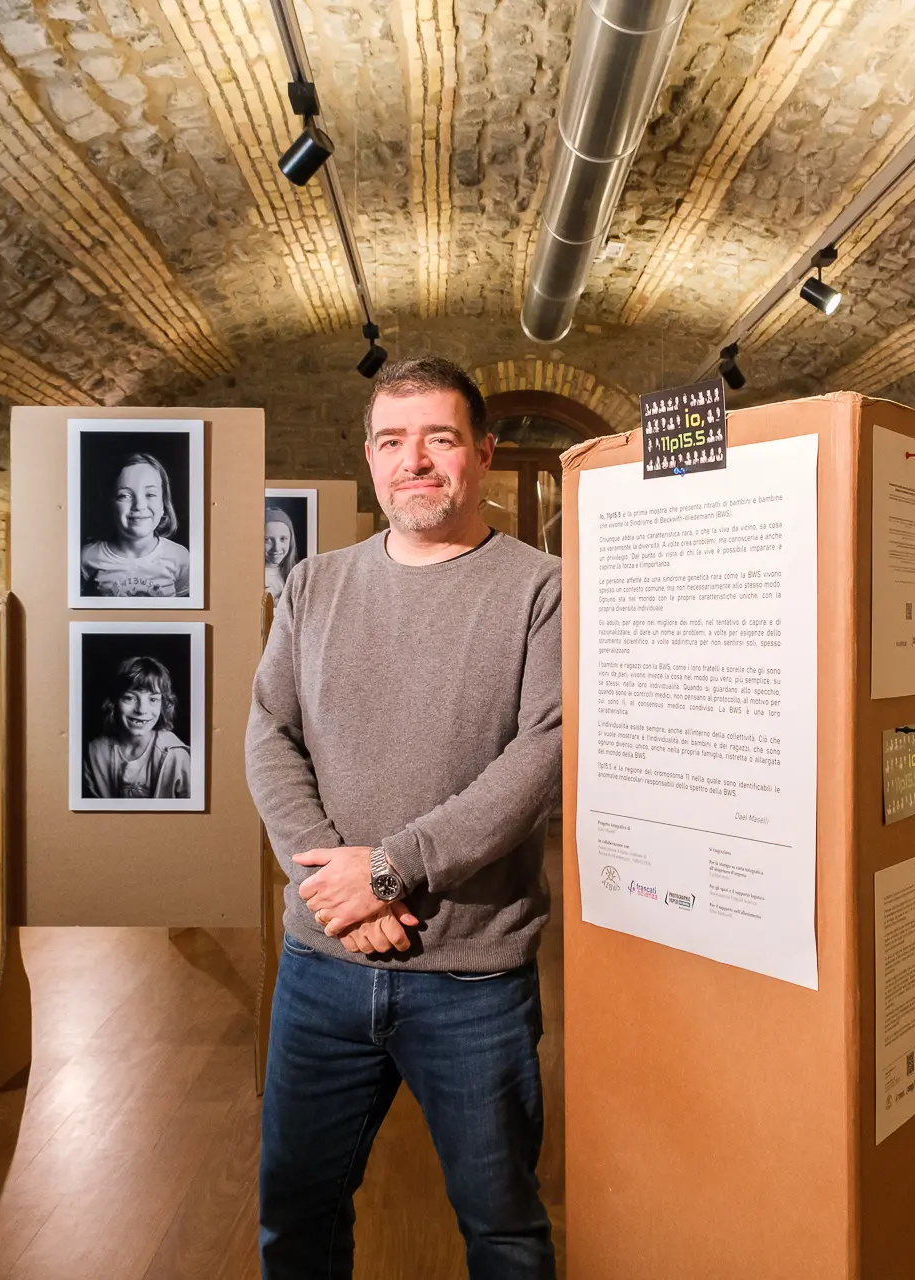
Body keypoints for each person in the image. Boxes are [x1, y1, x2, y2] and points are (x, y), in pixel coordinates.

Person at [246, 356, 560, 1280]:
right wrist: (335, 887)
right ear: (370, 460)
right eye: (392, 441)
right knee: (295, 1216)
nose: (413, 460)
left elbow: (541, 753)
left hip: (474, 977)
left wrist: (388, 869)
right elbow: (269, 735)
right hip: (321, 964)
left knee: (504, 1229)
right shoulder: (314, 584)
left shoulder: (541, 588)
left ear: (484, 455)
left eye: (439, 438)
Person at [80, 451, 190, 598]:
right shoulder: (87, 557)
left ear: (163, 504)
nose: (139, 506)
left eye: (150, 494)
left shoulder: (180, 557)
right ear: (111, 504)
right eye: (125, 495)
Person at [85, 654, 192, 799]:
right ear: (114, 702)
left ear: (163, 704)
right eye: (130, 698)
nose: (141, 710)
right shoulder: (95, 752)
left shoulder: (176, 754)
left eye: (153, 699)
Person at [263, 506, 297, 599]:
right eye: (267, 540)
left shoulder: (297, 573)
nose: (276, 548)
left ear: (290, 540)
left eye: (283, 539)